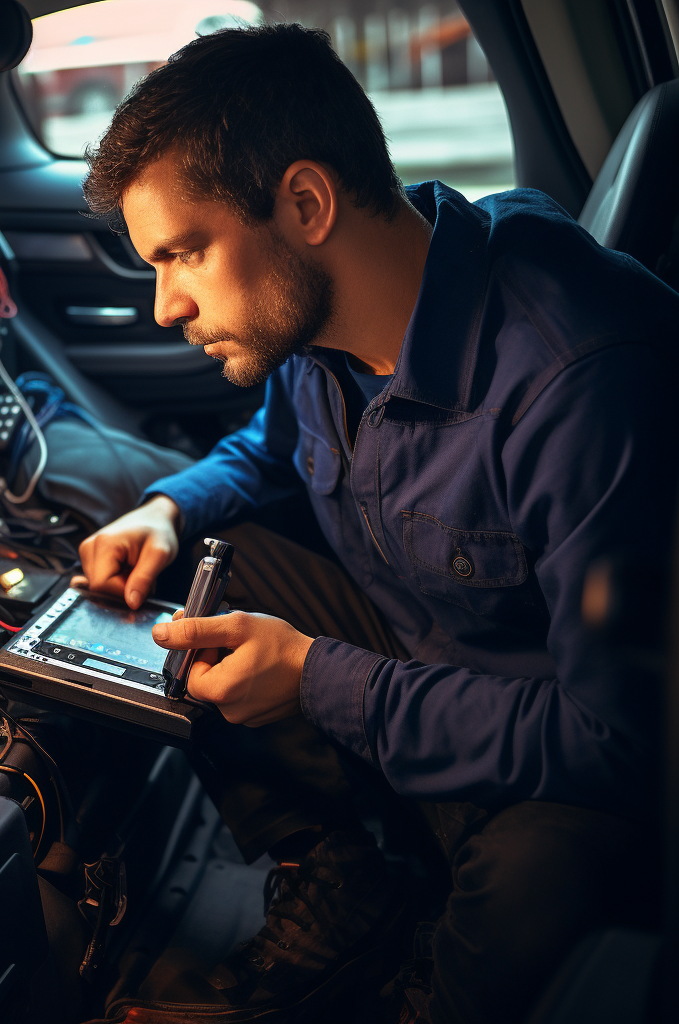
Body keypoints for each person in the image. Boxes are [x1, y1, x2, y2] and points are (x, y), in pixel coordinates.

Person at [73, 23, 677, 1024]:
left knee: (541, 872)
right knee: (206, 578)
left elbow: (621, 737)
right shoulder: (320, 324)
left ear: (305, 203)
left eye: (182, 253)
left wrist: (319, 678)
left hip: (563, 748)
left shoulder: (577, 380)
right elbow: (265, 457)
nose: (163, 306)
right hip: (422, 668)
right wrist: (168, 509)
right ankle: (348, 884)